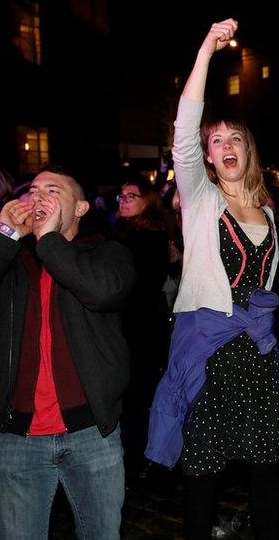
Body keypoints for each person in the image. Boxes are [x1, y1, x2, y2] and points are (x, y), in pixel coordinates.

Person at [144, 19, 279, 540]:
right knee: (202, 470)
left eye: (235, 138)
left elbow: (267, 286)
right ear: (206, 156)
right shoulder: (201, 202)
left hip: (256, 354)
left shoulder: (269, 216)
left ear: (248, 150)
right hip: (208, 350)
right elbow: (185, 126)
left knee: (265, 466)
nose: (225, 145)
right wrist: (206, 47)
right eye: (216, 140)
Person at [0, 165, 135, 539]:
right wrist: (4, 235)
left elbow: (104, 291)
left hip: (92, 434)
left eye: (53, 190)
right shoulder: (7, 259)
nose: (39, 197)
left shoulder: (106, 253)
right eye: (33, 191)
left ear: (79, 208)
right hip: (16, 439)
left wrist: (49, 242)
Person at [113, 178, 172, 473]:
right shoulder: (123, 233)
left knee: (138, 392)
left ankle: (140, 456)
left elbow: (142, 286)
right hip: (127, 324)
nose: (123, 199)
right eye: (121, 195)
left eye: (131, 195)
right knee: (130, 393)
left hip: (141, 326)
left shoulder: (149, 238)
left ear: (147, 200)